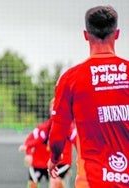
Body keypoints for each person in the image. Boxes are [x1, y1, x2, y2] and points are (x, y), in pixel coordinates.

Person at [48, 5, 129, 188]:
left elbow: (58, 134)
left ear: (86, 35)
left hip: (92, 181)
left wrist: (54, 159)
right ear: (117, 34)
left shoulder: (71, 78)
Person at [19, 99, 76, 188]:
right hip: (41, 162)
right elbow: (29, 141)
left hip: (60, 162)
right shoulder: (43, 128)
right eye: (53, 107)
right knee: (32, 184)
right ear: (50, 109)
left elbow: (78, 141)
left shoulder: (69, 127)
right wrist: (28, 153)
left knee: (54, 181)